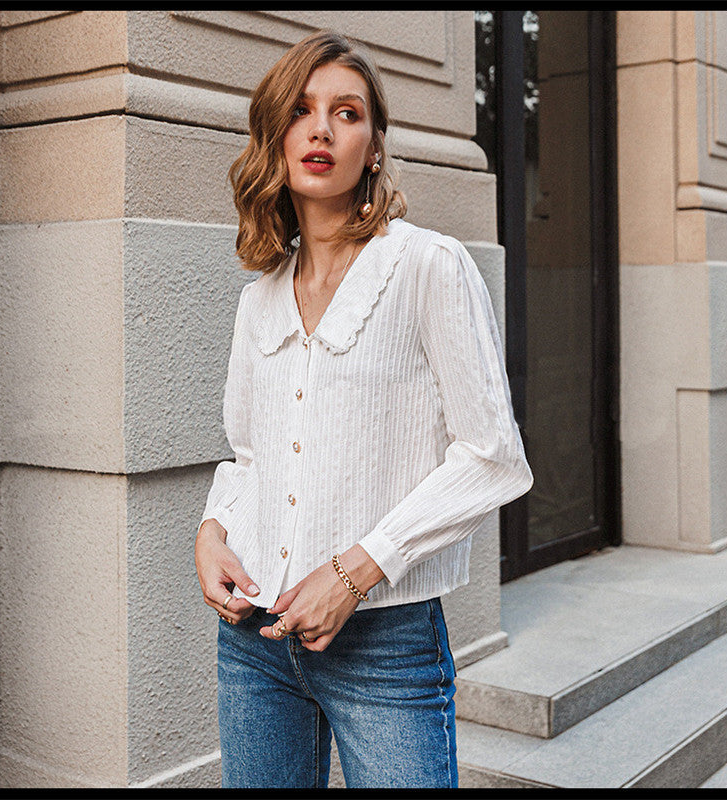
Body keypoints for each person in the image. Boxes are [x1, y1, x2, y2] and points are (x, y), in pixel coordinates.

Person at [194, 29, 533, 790]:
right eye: (303, 111)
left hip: (385, 648)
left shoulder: (427, 267)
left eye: (347, 113)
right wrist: (213, 531)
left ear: (374, 145)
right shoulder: (260, 299)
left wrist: (353, 573)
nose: (321, 128)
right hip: (251, 643)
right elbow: (249, 454)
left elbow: (491, 456)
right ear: (276, 137)